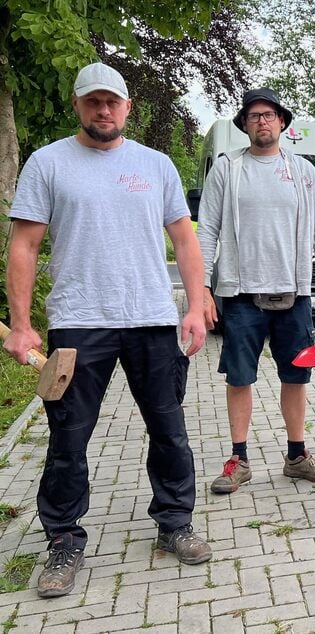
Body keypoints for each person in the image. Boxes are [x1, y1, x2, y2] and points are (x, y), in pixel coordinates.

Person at [3, 62, 212, 598]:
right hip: (77, 324)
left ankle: (173, 523)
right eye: (93, 101)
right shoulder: (48, 163)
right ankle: (64, 540)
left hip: (151, 320)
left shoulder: (157, 164)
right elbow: (24, 245)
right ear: (78, 104)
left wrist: (195, 303)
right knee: (68, 440)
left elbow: (185, 241)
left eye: (112, 101)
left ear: (126, 107)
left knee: (169, 430)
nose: (103, 110)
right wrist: (23, 325)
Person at [197, 88, 315, 494]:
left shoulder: (303, 173)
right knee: (239, 377)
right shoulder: (227, 170)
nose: (263, 121)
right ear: (245, 124)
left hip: (292, 295)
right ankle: (238, 459)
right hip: (241, 296)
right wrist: (203, 289)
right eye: (255, 115)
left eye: (270, 114)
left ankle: (297, 456)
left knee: (296, 377)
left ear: (282, 123)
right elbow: (206, 231)